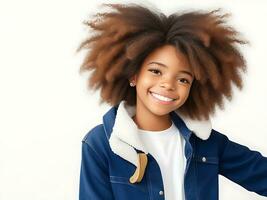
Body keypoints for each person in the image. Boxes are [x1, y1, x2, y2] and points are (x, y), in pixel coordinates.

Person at [76, 3, 267, 200]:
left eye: (183, 79)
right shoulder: (100, 144)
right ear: (134, 75)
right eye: (156, 71)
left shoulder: (206, 143)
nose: (168, 84)